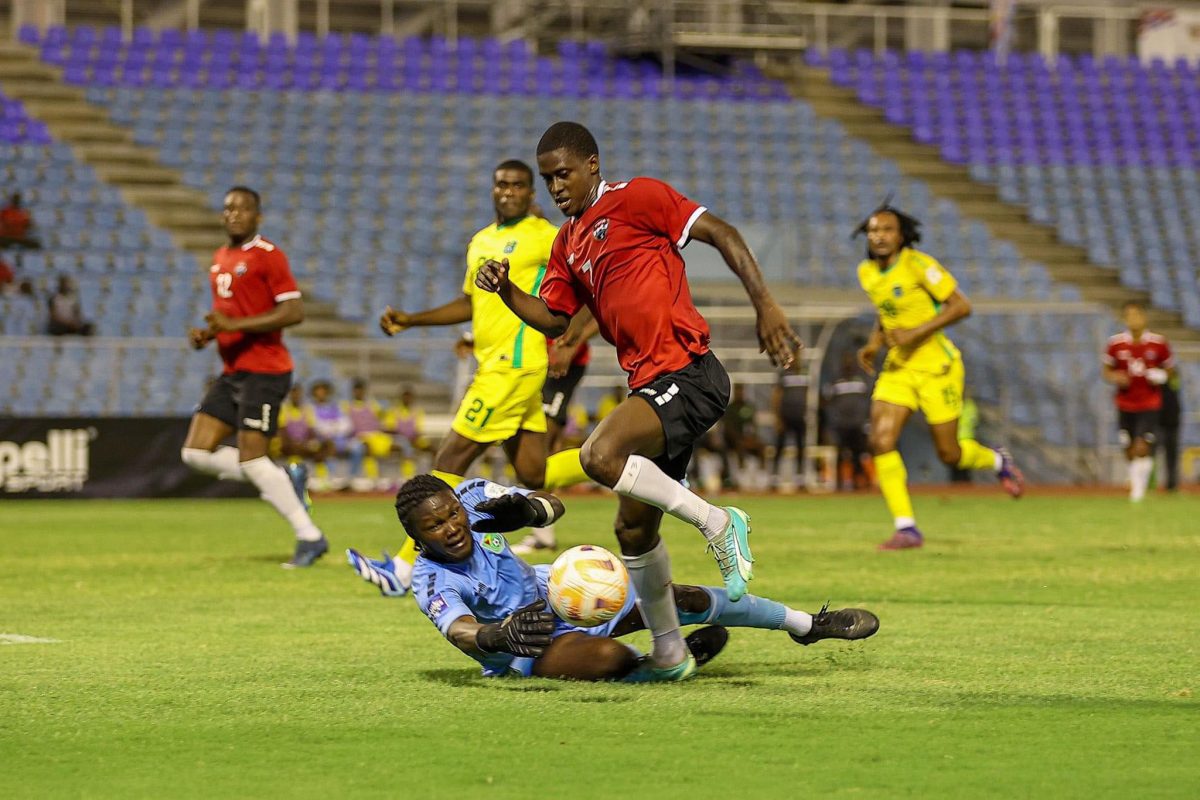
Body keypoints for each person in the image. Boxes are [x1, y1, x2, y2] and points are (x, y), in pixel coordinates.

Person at [474, 121, 802, 680]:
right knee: (633, 532)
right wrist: (505, 289)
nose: (556, 188)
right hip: (649, 387)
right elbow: (554, 319)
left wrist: (765, 305)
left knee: (600, 455)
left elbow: (721, 232)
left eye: (564, 174)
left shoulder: (640, 198)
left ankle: (720, 522)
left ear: (592, 165)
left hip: (689, 373)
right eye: (548, 178)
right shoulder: (567, 243)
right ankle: (671, 653)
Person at [345, 474, 879, 681]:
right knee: (605, 660)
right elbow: (459, 631)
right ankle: (661, 665)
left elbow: (552, 506)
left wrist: (526, 512)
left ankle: (807, 624)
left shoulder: (472, 499)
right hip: (523, 647)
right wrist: (495, 637)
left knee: (681, 595)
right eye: (434, 526)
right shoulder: (429, 579)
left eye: (451, 516)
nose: (451, 528)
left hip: (561, 594)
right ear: (415, 535)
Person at [378, 160, 593, 585]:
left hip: (514, 365)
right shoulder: (480, 241)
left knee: (451, 457)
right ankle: (628, 462)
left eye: (517, 185)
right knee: (534, 473)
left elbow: (588, 288)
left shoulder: (545, 236)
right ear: (493, 190)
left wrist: (570, 340)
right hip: (494, 362)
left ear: (531, 193)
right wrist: (412, 319)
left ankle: (402, 569)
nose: (508, 191)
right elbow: (469, 303)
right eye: (501, 185)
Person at [854, 203, 1024, 550]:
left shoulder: (919, 265)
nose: (879, 236)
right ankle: (907, 528)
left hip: (937, 368)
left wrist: (916, 333)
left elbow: (961, 306)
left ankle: (996, 460)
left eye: (887, 230)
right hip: (899, 368)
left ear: (901, 236)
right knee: (880, 440)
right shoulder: (867, 272)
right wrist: (874, 343)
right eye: (873, 230)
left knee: (949, 454)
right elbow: (885, 313)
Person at [181, 186, 327, 568]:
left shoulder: (268, 256)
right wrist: (209, 333)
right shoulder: (220, 257)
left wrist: (234, 324)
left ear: (257, 216)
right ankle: (282, 476)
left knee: (251, 460)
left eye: (242, 209)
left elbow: (294, 312)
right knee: (194, 452)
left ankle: (309, 537)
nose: (233, 214)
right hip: (232, 371)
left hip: (266, 370)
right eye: (227, 208)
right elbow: (228, 315)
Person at [513, 310, 601, 555]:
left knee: (539, 445)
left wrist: (572, 345)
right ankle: (542, 531)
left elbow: (597, 313)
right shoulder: (542, 278)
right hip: (539, 362)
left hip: (564, 364)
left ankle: (543, 532)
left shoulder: (571, 278)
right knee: (541, 445)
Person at [1101, 301, 1176, 501]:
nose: (1133, 319)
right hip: (1125, 403)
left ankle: (1138, 490)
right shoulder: (1115, 344)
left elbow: (1170, 369)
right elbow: (1107, 370)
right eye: (1129, 316)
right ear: (1125, 319)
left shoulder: (1158, 343)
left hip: (1149, 403)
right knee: (1128, 448)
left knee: (1141, 445)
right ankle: (1137, 481)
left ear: (1144, 318)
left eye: (1137, 315)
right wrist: (1115, 377)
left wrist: (1162, 375)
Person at [823, 354, 872, 491]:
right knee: (841, 453)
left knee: (859, 454)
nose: (848, 365)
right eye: (846, 363)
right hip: (841, 425)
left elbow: (868, 402)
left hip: (857, 424)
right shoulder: (836, 382)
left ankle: (859, 481)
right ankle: (839, 483)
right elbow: (826, 401)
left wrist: (867, 421)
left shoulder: (861, 381)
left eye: (850, 363)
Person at [343, 377, 395, 490]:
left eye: (361, 390)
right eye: (357, 390)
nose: (359, 392)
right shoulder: (347, 406)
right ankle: (354, 477)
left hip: (374, 436)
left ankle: (381, 477)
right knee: (362, 448)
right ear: (353, 391)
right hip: (356, 437)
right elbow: (345, 426)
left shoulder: (372, 405)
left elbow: (382, 418)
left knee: (393, 446)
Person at [276, 382, 335, 467]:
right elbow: (282, 431)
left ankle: (322, 475)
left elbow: (311, 430)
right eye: (293, 393)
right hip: (289, 445)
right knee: (293, 448)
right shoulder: (284, 409)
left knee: (326, 446)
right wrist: (295, 443)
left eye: (298, 393)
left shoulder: (307, 410)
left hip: (304, 443)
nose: (296, 396)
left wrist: (309, 442)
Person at [772, 359, 810, 489]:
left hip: (799, 416)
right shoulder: (785, 374)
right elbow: (777, 395)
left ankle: (800, 478)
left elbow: (807, 394)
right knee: (780, 446)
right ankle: (774, 477)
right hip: (785, 416)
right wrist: (777, 417)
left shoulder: (805, 373)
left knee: (801, 447)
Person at [722, 383, 768, 489]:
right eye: (738, 391)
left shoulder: (749, 407)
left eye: (741, 391)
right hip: (733, 440)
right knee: (740, 445)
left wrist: (752, 437)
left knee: (761, 446)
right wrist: (740, 438)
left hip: (747, 438)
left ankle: (762, 475)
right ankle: (742, 475)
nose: (740, 393)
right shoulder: (730, 408)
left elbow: (753, 425)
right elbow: (728, 428)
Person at [1159, 374, 1182, 492]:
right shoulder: (1151, 376)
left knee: (1172, 455)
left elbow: (1175, 383)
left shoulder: (1173, 376)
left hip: (1172, 422)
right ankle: (1147, 484)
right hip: (1156, 421)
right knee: (1150, 455)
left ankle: (1172, 485)